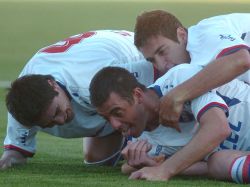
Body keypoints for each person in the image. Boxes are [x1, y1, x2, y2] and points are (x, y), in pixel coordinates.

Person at [0, 30, 158, 170]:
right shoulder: (22, 107)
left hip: (132, 50)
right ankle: (125, 138)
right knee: (97, 160)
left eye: (56, 111)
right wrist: (7, 160)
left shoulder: (93, 79)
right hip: (89, 65)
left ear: (53, 84)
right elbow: (15, 152)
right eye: (50, 123)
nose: (62, 121)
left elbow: (156, 74)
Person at [89, 65, 250, 183]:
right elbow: (206, 168)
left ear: (137, 95)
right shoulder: (140, 143)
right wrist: (154, 164)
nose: (115, 125)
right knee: (217, 162)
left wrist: (164, 169)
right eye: (107, 119)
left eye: (117, 112)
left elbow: (218, 129)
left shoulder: (178, 80)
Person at [134, 10, 250, 131]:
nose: (161, 65)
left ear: (181, 35)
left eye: (163, 52)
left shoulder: (207, 32)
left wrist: (177, 95)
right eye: (152, 60)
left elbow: (240, 60)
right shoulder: (183, 67)